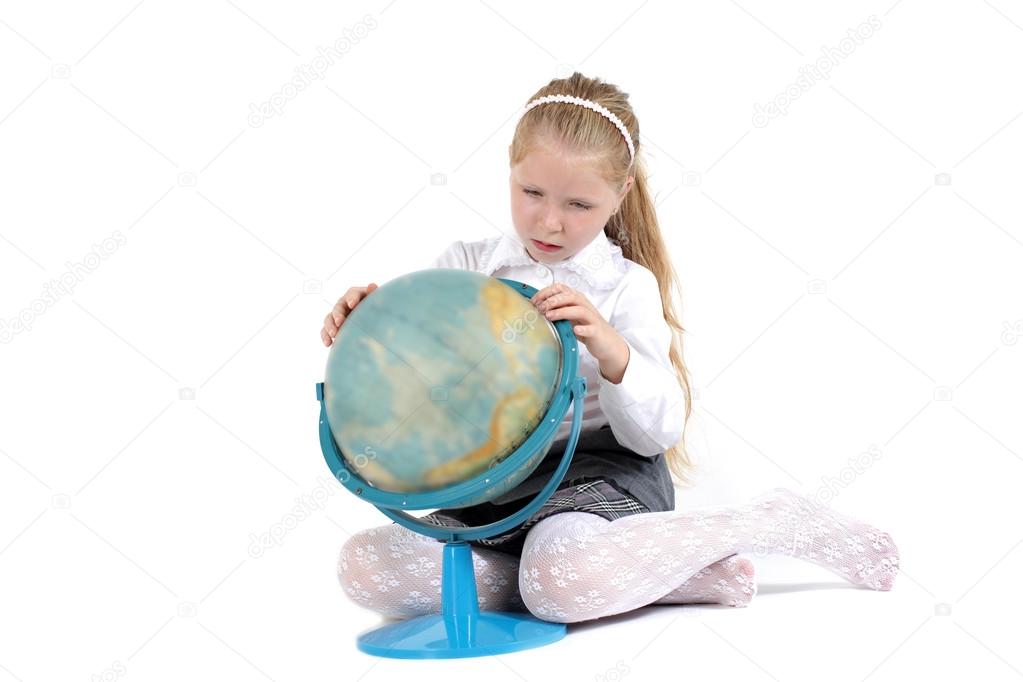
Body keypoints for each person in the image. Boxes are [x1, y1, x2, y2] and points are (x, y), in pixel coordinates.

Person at [322, 72, 900, 624]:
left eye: (579, 205)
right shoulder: (466, 265)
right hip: (488, 485)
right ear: (509, 172)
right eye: (531, 192)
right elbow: (422, 384)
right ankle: (657, 579)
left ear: (620, 194)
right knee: (366, 568)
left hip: (594, 478)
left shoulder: (625, 286)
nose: (550, 220)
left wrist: (611, 348)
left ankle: (766, 520)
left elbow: (656, 434)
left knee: (560, 572)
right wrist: (373, 330)